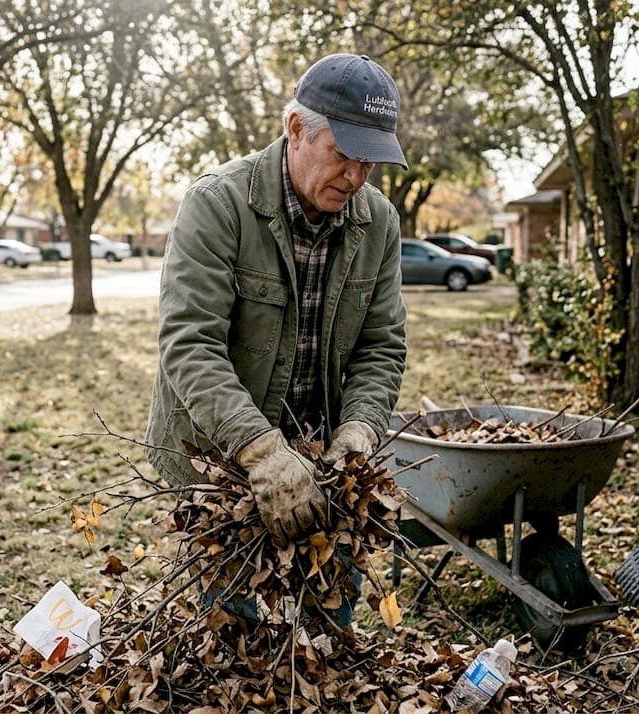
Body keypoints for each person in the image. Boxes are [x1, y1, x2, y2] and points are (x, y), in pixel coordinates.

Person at [145, 53, 408, 617]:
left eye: (370, 161)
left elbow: (381, 345)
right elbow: (191, 344)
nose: (356, 177)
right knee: (232, 626)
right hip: (221, 452)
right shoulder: (218, 204)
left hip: (322, 455)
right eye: (343, 155)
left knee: (329, 623)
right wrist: (260, 449)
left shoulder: (379, 222)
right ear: (296, 129)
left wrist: (359, 428)